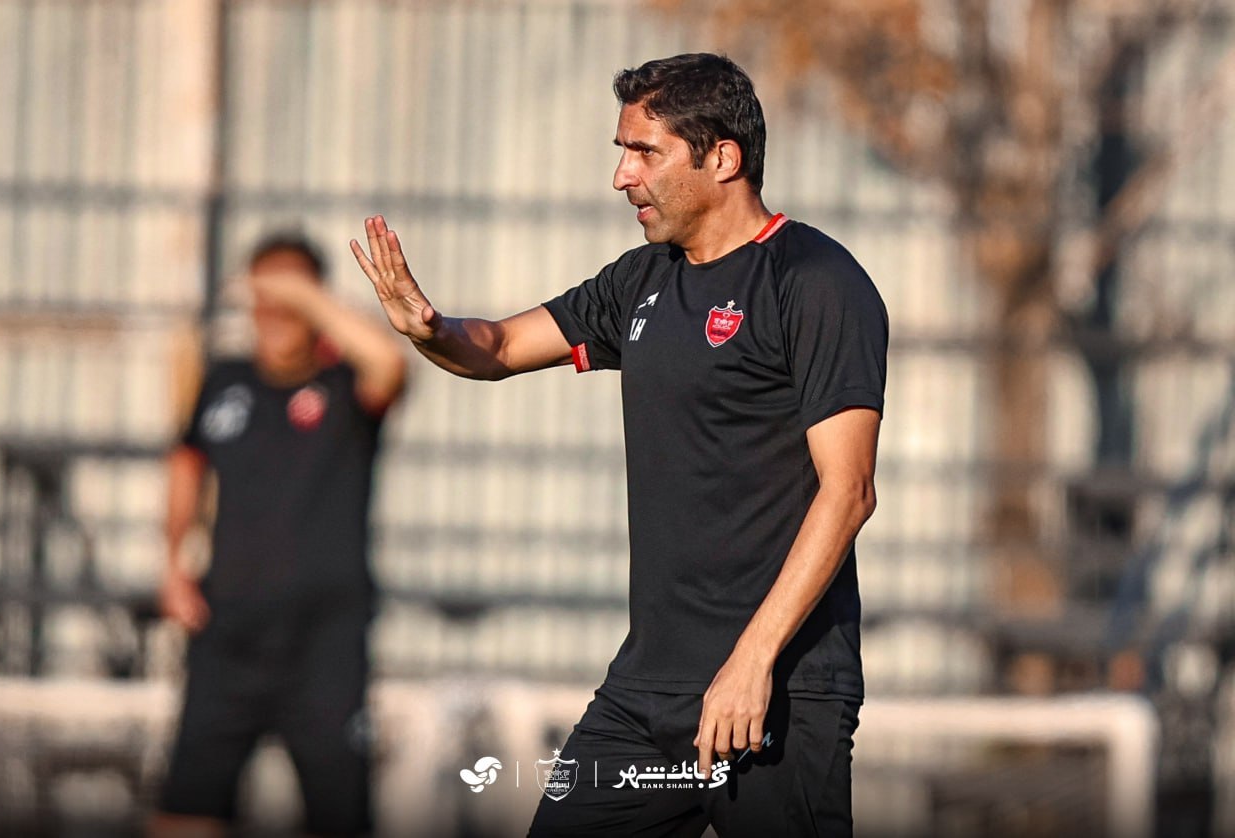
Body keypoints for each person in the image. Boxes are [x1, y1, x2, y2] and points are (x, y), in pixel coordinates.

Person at [352, 53, 886, 837]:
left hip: (775, 686)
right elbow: (499, 347)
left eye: (644, 152)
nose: (621, 177)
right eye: (621, 151)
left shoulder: (814, 281)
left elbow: (849, 492)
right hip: (646, 690)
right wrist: (429, 328)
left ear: (722, 158)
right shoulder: (642, 280)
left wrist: (752, 661)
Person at [151, 232, 407, 837]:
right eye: (263, 296)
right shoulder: (225, 382)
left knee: (338, 814)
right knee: (185, 812)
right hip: (226, 635)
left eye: (289, 297)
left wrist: (302, 294)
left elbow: (390, 365)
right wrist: (173, 563)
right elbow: (186, 462)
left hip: (324, 643)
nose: (272, 311)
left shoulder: (346, 385)